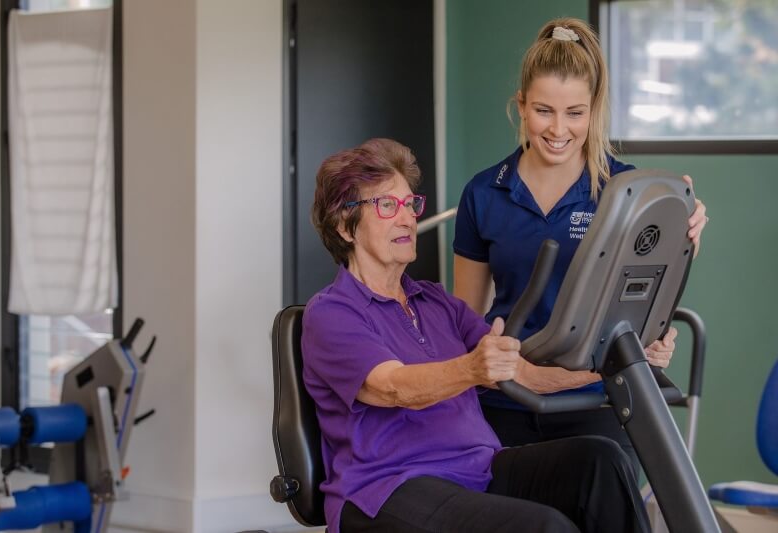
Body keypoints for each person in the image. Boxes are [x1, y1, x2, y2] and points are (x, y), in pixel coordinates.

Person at [302, 137, 650, 533]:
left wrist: (627, 358)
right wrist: (471, 369)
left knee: (600, 461)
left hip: (476, 469)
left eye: (410, 204)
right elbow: (392, 387)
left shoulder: (434, 302)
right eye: (386, 206)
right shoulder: (332, 312)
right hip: (387, 488)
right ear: (344, 225)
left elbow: (527, 374)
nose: (406, 218)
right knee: (544, 527)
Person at [453, 17, 708, 467]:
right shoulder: (482, 193)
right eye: (543, 110)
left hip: (600, 398)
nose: (558, 129)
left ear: (593, 110)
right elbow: (465, 320)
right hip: (504, 399)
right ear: (521, 106)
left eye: (575, 113)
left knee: (602, 489)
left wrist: (685, 230)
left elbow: (651, 293)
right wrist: (504, 373)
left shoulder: (629, 192)